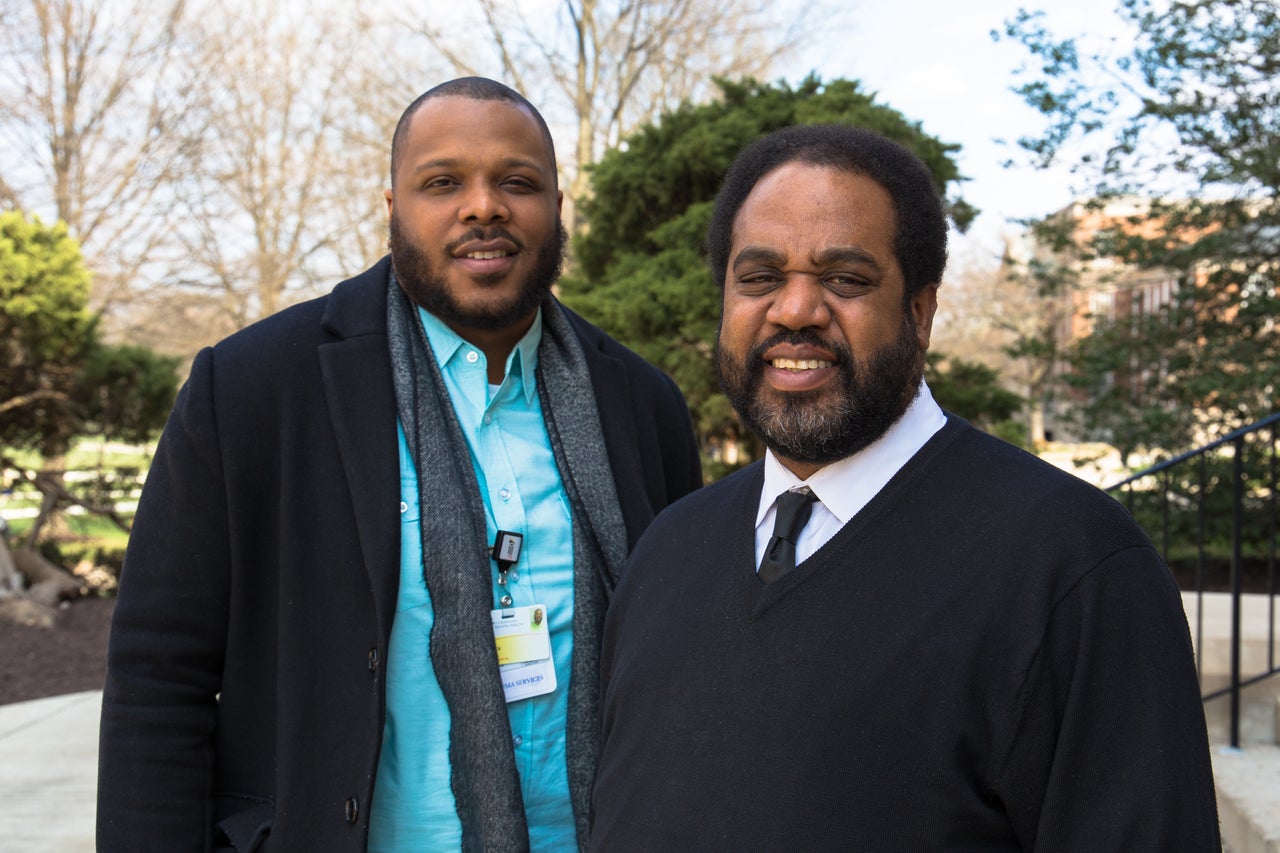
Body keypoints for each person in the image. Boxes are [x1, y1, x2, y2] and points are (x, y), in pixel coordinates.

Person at [97, 77, 701, 853]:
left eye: (517, 182)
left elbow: (687, 664)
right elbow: (158, 677)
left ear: (556, 207)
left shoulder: (641, 404)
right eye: (442, 182)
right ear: (392, 208)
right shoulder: (254, 388)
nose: (483, 206)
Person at [589, 124, 1220, 851]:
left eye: (845, 279)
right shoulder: (667, 551)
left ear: (920, 314)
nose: (794, 311)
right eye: (759, 278)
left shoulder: (1072, 566)